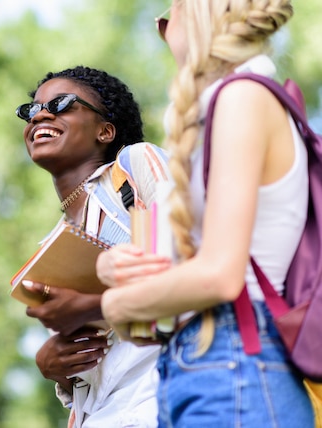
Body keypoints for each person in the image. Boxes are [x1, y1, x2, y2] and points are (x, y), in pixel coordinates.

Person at [97, 1, 315, 427]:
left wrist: (116, 302)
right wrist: (119, 267)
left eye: (169, 12)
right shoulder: (231, 102)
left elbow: (219, 275)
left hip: (235, 367)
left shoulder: (241, 98)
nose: (163, 28)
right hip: (208, 368)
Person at [15, 65, 171, 427]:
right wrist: (55, 368)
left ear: (106, 130)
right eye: (31, 109)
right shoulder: (55, 247)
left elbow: (199, 255)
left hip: (168, 396)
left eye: (62, 103)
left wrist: (93, 305)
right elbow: (96, 362)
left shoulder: (135, 167)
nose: (40, 114)